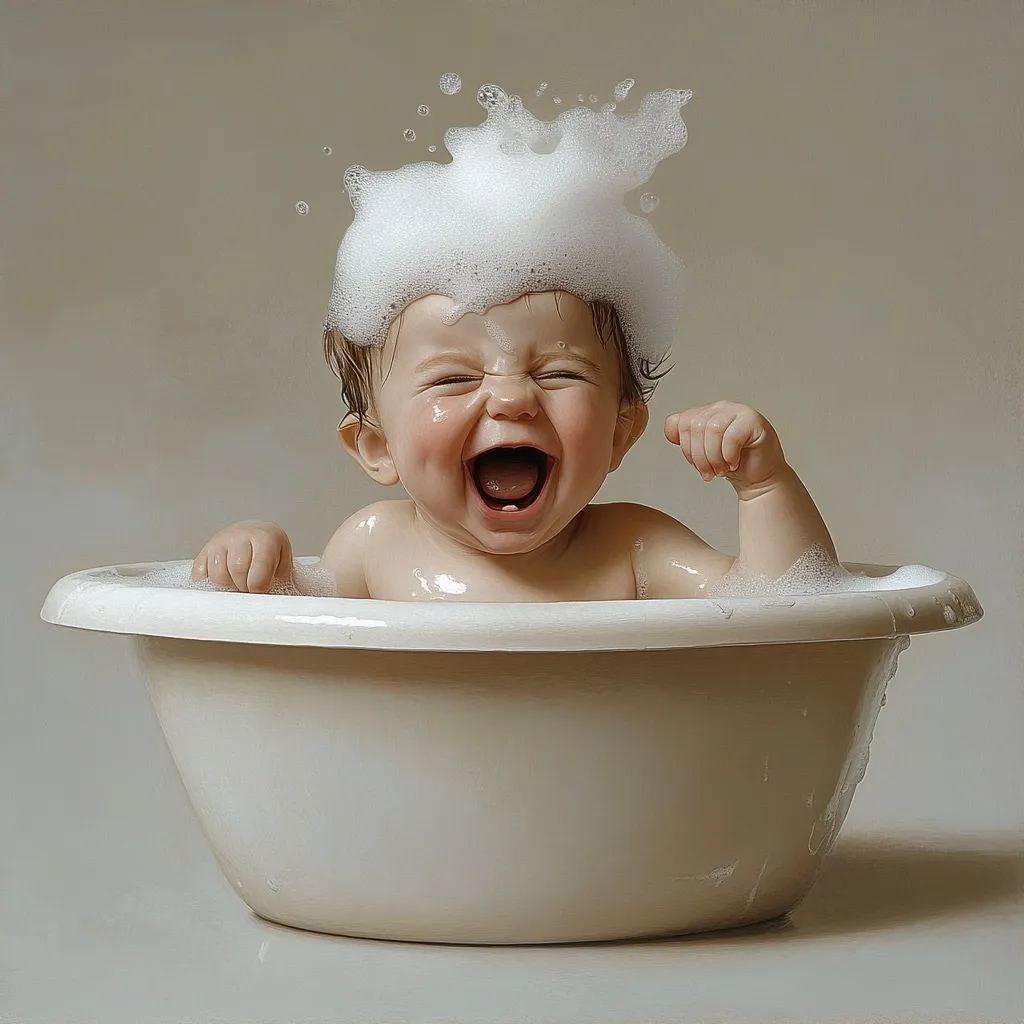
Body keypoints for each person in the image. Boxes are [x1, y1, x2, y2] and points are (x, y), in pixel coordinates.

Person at [192, 288, 836, 600]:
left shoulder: (632, 548)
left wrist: (763, 486)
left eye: (559, 373)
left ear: (620, 432)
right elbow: (293, 655)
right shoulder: (374, 546)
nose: (512, 397)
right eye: (452, 378)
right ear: (378, 446)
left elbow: (786, 607)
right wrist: (252, 565)